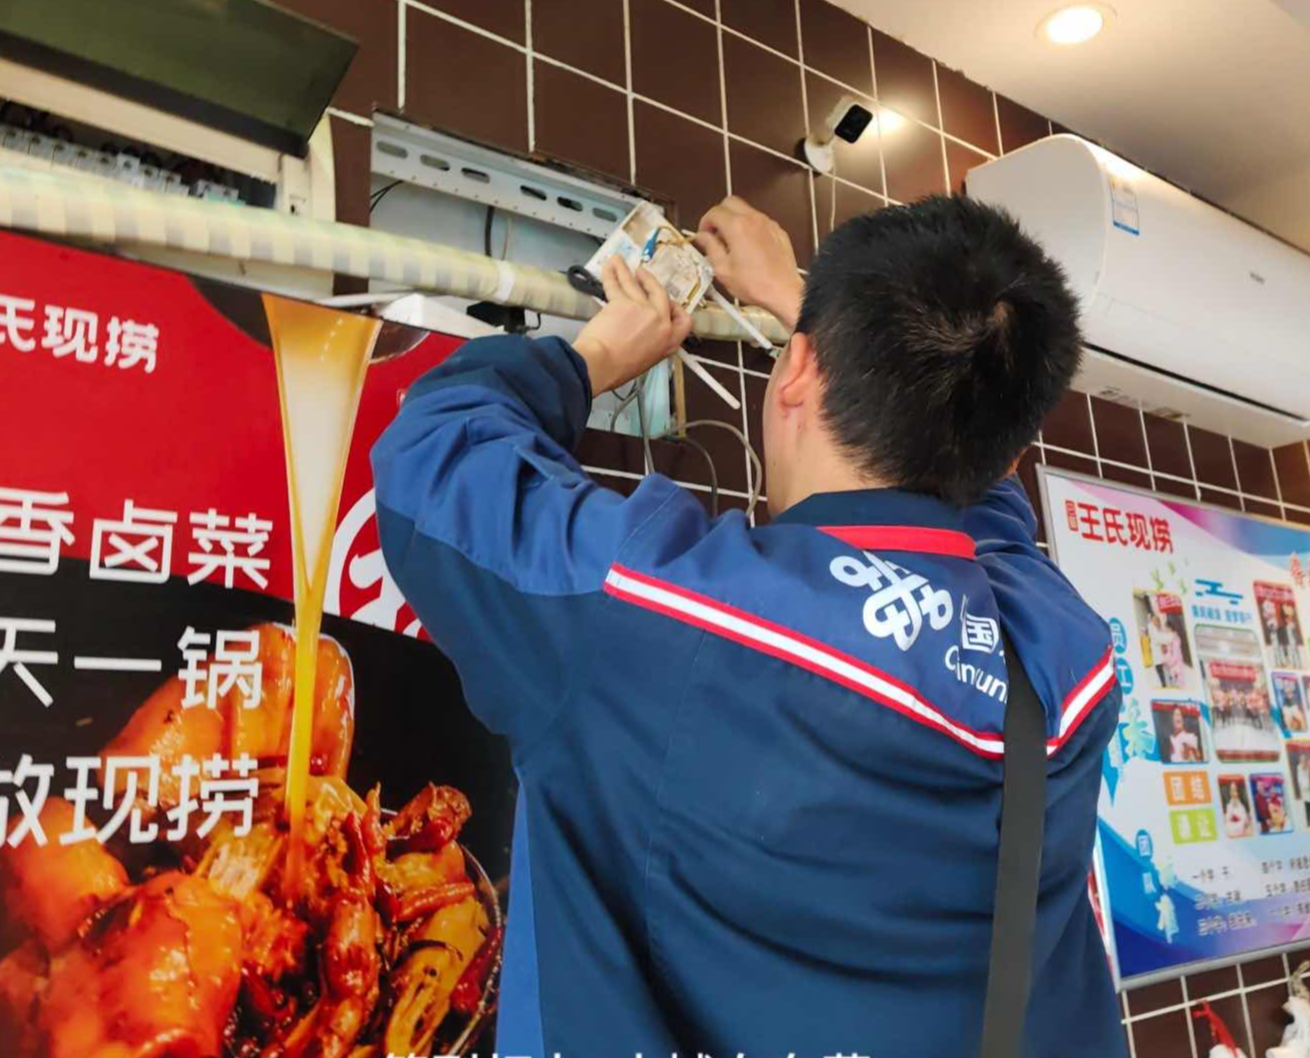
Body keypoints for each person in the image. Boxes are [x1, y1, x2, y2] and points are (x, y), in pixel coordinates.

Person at [371, 194, 1124, 1057]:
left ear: (795, 369)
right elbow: (980, 493)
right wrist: (813, 317)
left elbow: (433, 456)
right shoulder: (1066, 652)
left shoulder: (663, 615)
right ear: (1010, 451)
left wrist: (593, 357)